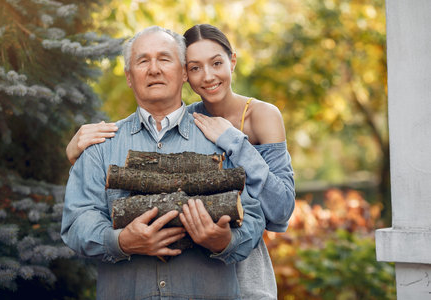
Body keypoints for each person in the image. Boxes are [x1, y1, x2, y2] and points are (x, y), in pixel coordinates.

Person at [66, 24, 296, 299]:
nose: (154, 69)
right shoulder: (100, 145)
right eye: (142, 61)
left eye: (164, 59)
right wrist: (121, 241)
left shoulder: (223, 140)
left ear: (182, 73)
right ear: (129, 76)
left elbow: (258, 216)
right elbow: (76, 223)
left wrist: (225, 241)